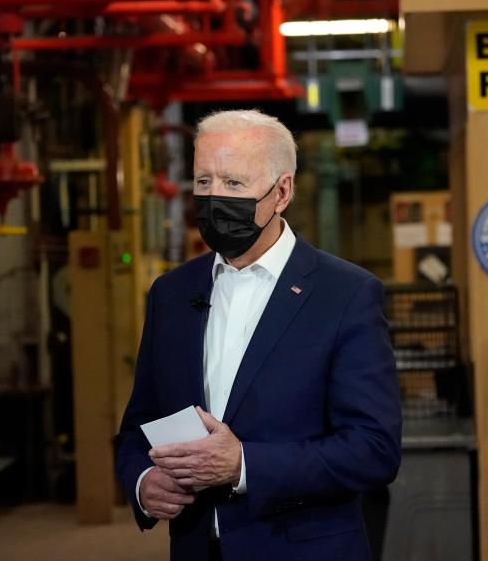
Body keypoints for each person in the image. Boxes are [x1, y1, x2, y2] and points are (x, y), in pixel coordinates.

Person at [114, 109, 402, 561]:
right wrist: (142, 483)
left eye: (233, 184)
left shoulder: (346, 294)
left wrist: (244, 465)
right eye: (203, 181)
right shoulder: (172, 294)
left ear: (281, 192)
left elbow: (374, 449)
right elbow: (138, 426)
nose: (213, 198)